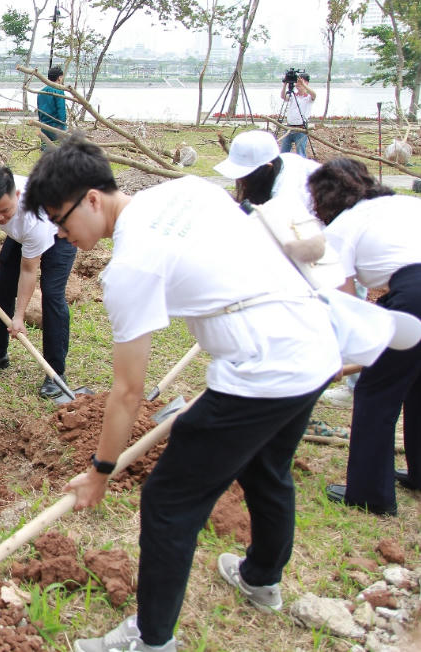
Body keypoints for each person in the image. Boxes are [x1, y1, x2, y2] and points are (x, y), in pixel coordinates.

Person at [21, 134, 340, 652]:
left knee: (168, 500)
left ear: (94, 199)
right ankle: (261, 578)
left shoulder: (130, 266)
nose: (60, 235)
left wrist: (100, 472)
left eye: (62, 219)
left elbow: (128, 392)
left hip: (263, 370)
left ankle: (151, 640)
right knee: (267, 467)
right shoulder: (187, 189)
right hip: (312, 346)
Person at [308, 158, 421, 517]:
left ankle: (370, 494)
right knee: (417, 384)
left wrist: (335, 358)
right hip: (411, 289)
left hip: (415, 292)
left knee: (376, 391)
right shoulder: (404, 202)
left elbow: (343, 304)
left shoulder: (344, 226)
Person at [0, 164, 76, 400]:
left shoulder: (34, 216)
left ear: (17, 196)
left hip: (60, 232)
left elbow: (29, 270)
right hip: (20, 236)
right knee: (3, 287)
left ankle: (55, 373)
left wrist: (19, 317)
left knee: (52, 295)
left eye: (4, 211)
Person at [213, 129, 319, 213]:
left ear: (267, 168)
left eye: (245, 176)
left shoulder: (286, 198)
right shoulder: (281, 161)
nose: (241, 181)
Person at [278, 75, 316, 157]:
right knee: (284, 153)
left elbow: (314, 94)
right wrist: (285, 84)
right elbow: (283, 96)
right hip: (288, 128)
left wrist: (303, 84)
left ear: (306, 82)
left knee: (300, 153)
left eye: (300, 81)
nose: (297, 84)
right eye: (297, 82)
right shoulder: (293, 95)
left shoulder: (309, 97)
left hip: (301, 129)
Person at [36, 66, 67, 144]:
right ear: (59, 78)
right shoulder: (59, 91)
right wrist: (63, 125)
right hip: (56, 127)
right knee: (60, 151)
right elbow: (61, 111)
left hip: (44, 125)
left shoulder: (41, 92)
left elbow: (39, 110)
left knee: (46, 150)